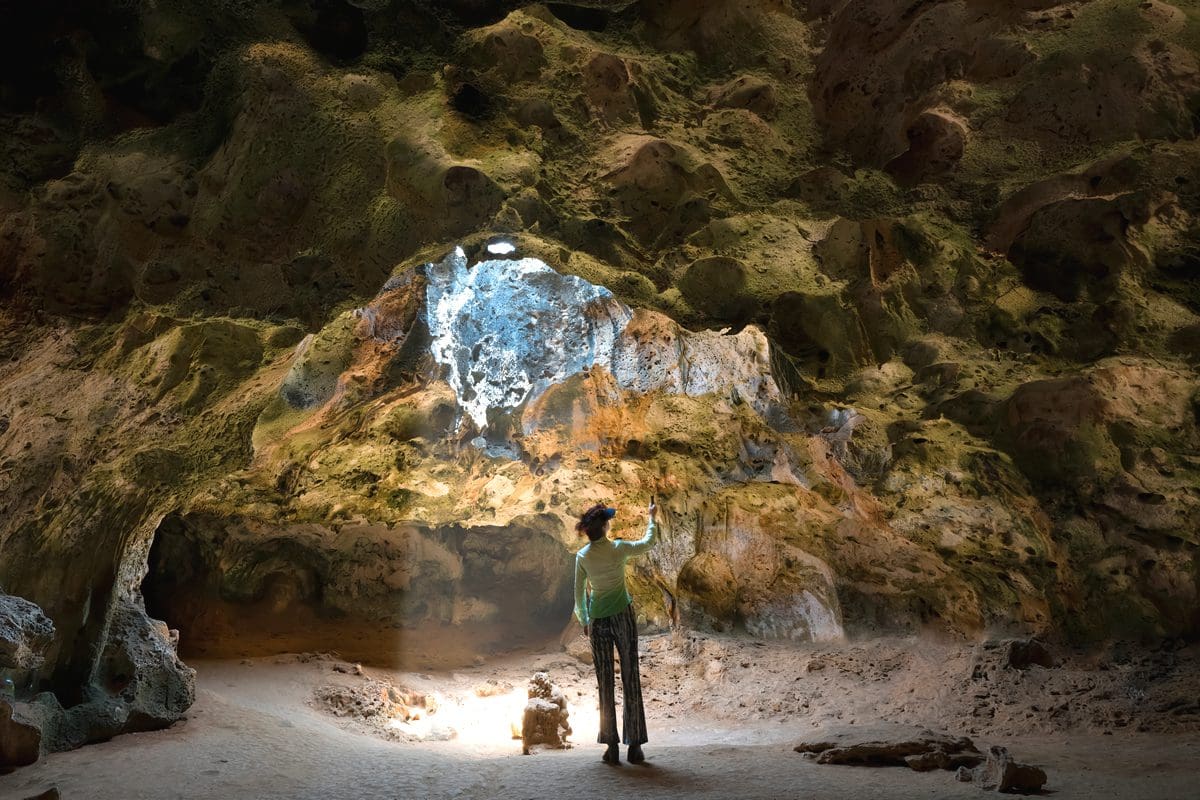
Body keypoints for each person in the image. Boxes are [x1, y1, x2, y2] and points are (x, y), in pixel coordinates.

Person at [573, 497, 659, 764]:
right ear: (605, 527)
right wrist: (652, 518)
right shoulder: (619, 549)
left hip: (598, 621)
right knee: (630, 676)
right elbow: (648, 543)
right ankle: (635, 746)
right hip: (622, 615)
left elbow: (579, 593)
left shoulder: (582, 557)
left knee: (605, 682)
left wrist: (585, 619)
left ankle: (611, 747)